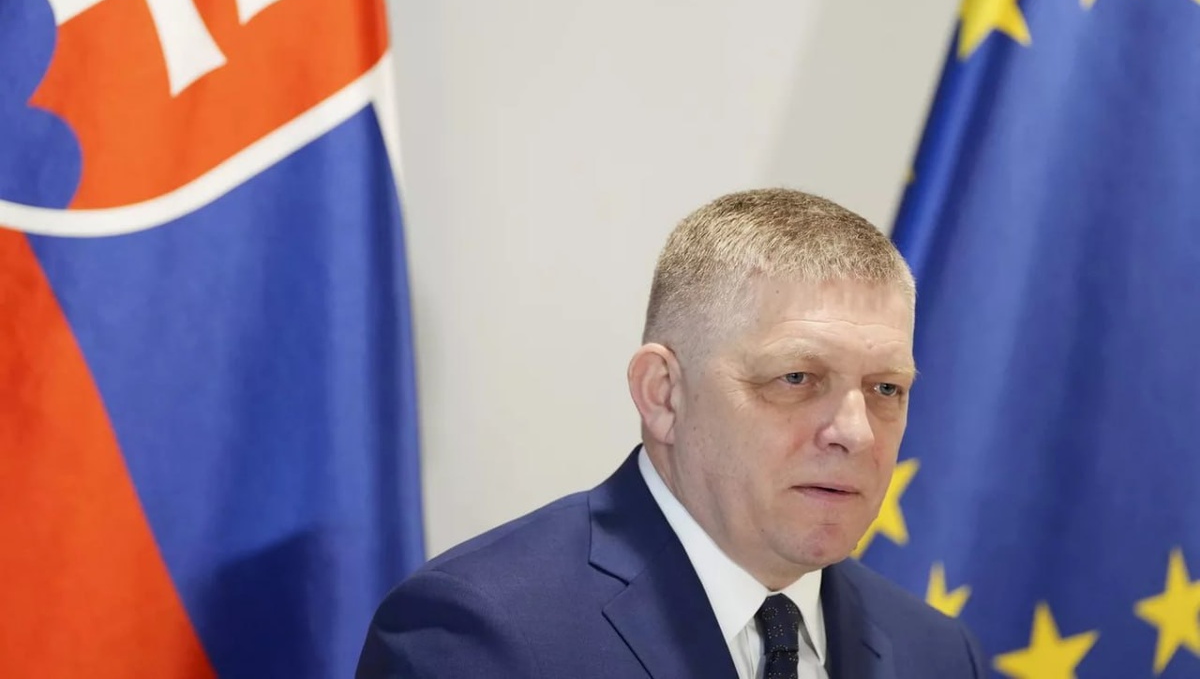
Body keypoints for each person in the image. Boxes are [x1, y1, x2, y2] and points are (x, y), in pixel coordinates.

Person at [357, 188, 987, 678]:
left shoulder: (938, 654)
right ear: (663, 394)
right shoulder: (482, 634)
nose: (855, 432)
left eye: (886, 389)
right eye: (796, 378)